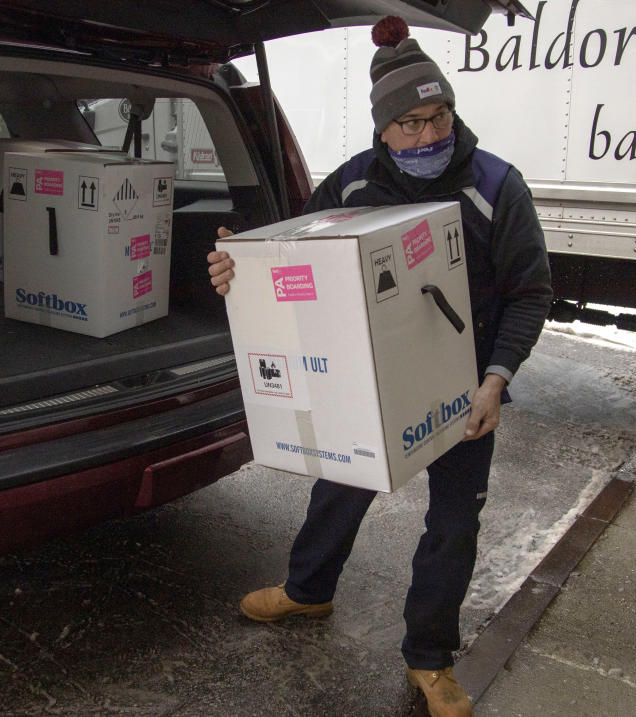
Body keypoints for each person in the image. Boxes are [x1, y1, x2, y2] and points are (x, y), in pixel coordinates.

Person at [207, 16, 553, 717]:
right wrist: (236, 267)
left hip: (464, 390)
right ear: (383, 129)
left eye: (439, 116)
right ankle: (309, 588)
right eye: (411, 124)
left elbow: (531, 291)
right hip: (368, 382)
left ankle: (429, 657)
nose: (429, 136)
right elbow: (292, 261)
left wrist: (497, 379)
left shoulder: (496, 185)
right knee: (340, 486)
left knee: (454, 524)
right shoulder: (352, 185)